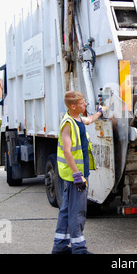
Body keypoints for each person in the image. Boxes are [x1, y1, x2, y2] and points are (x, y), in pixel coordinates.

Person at [52, 90, 103, 254]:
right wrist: (77, 175)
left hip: (77, 174)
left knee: (67, 209)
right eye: (82, 103)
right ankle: (79, 249)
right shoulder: (67, 124)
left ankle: (60, 247)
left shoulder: (77, 119)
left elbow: (89, 120)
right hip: (76, 176)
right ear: (73, 106)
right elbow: (67, 151)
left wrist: (101, 112)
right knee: (77, 211)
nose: (85, 104)